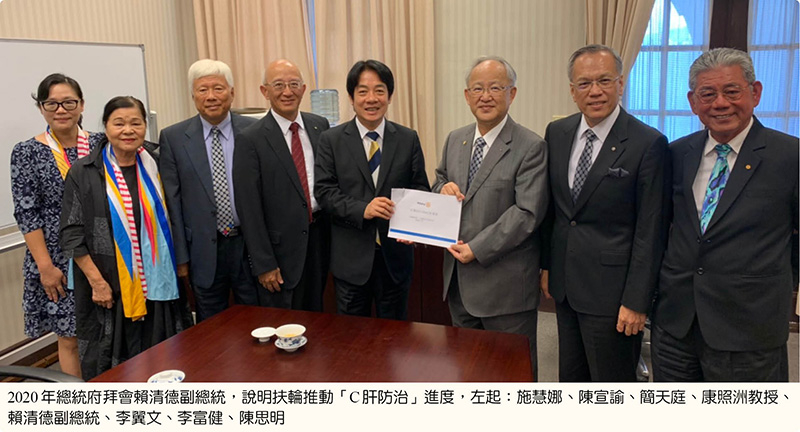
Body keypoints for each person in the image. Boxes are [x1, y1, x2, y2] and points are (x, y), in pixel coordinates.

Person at [652, 47, 798, 382]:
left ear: (755, 93)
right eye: (708, 94)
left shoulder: (790, 156)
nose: (720, 103)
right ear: (693, 102)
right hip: (677, 323)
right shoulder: (677, 153)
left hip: (749, 327)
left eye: (732, 91)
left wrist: (773, 280)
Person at [541, 44, 670, 382]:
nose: (595, 91)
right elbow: (555, 210)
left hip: (614, 295)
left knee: (611, 386)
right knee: (571, 380)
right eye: (584, 83)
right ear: (572, 91)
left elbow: (651, 231)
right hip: (566, 286)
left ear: (621, 83)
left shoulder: (647, 143)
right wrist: (548, 266)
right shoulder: (558, 133)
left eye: (604, 80)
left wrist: (637, 301)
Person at [60, 96, 192, 380]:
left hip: (158, 281)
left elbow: (178, 213)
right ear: (105, 127)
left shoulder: (158, 161)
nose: (128, 130)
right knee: (115, 365)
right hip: (108, 284)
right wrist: (97, 283)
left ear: (145, 125)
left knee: (163, 354)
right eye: (119, 123)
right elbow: (71, 233)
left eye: (136, 123)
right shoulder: (85, 171)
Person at [432, 56, 547, 378]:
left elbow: (527, 212)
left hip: (505, 289)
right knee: (467, 370)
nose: (485, 96)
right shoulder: (455, 139)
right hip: (458, 284)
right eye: (478, 89)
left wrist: (477, 248)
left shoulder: (531, 146)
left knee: (511, 374)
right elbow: (439, 180)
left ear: (512, 93)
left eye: (495, 88)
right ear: (467, 96)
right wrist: (442, 188)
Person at [315, 59, 429, 320]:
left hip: (395, 258)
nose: (371, 99)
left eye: (379, 90)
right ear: (351, 97)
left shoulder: (407, 138)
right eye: (363, 91)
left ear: (389, 96)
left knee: (395, 335)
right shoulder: (331, 140)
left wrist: (413, 225)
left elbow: (419, 187)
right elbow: (324, 192)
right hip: (351, 261)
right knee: (352, 337)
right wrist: (363, 209)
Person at [10, 73, 104, 378]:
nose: (60, 110)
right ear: (41, 108)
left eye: (68, 102)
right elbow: (27, 213)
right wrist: (45, 267)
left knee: (109, 328)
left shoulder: (101, 144)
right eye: (51, 103)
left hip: (102, 248)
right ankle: (78, 399)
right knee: (70, 336)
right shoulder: (26, 152)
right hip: (56, 255)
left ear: (81, 105)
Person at [159, 59, 258, 322]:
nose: (211, 96)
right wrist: (181, 257)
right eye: (203, 90)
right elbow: (173, 202)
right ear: (193, 96)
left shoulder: (255, 131)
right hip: (202, 250)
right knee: (210, 327)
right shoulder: (173, 138)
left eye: (218, 88)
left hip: (248, 245)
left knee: (257, 320)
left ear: (232, 92)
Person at [233, 59, 330, 311]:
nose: (287, 92)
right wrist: (264, 263)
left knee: (319, 319)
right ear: (265, 91)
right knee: (286, 324)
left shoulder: (320, 126)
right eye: (278, 85)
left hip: (320, 242)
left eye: (294, 84)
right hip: (279, 253)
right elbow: (248, 207)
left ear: (304, 89)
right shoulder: (250, 139)